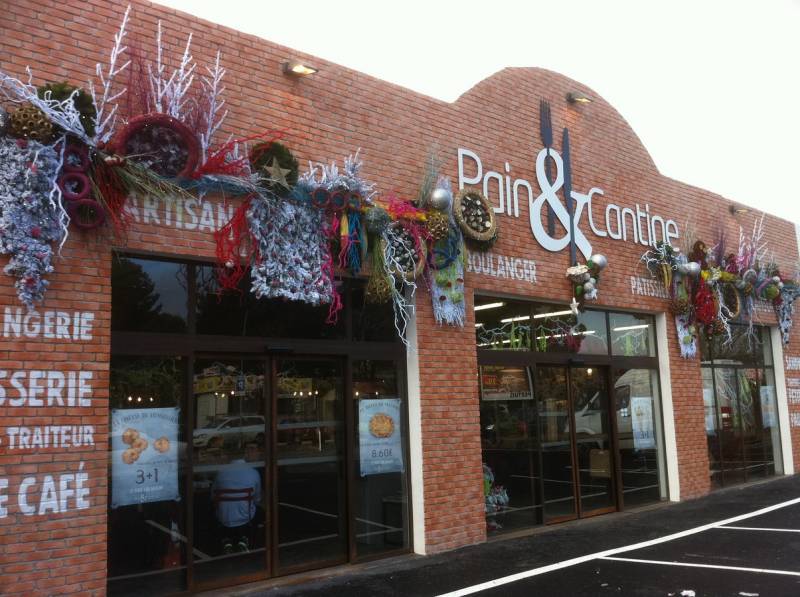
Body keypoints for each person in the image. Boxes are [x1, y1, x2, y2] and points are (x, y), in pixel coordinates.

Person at [212, 442, 263, 553]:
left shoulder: (221, 472)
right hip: (246, 516)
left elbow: (213, 495)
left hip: (223, 516)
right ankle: (244, 539)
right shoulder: (253, 473)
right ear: (244, 455)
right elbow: (257, 499)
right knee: (257, 508)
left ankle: (227, 540)